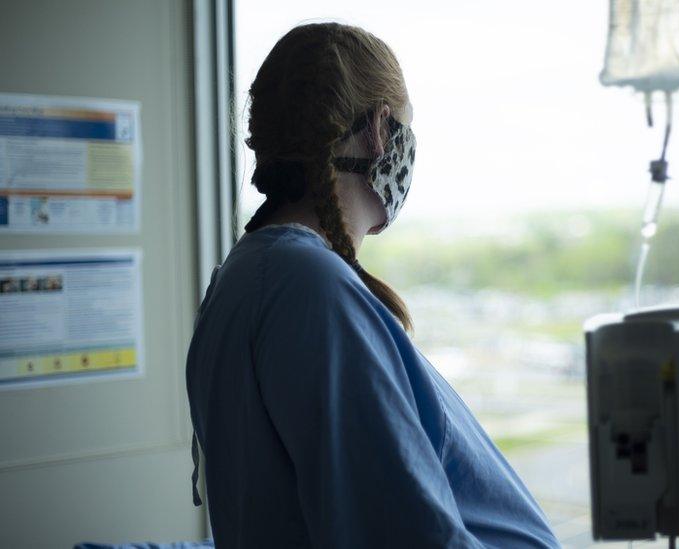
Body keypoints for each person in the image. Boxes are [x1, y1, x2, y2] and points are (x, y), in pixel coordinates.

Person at [185, 23, 559, 548]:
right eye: (406, 129)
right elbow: (402, 533)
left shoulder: (257, 273)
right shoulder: (307, 286)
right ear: (382, 130)